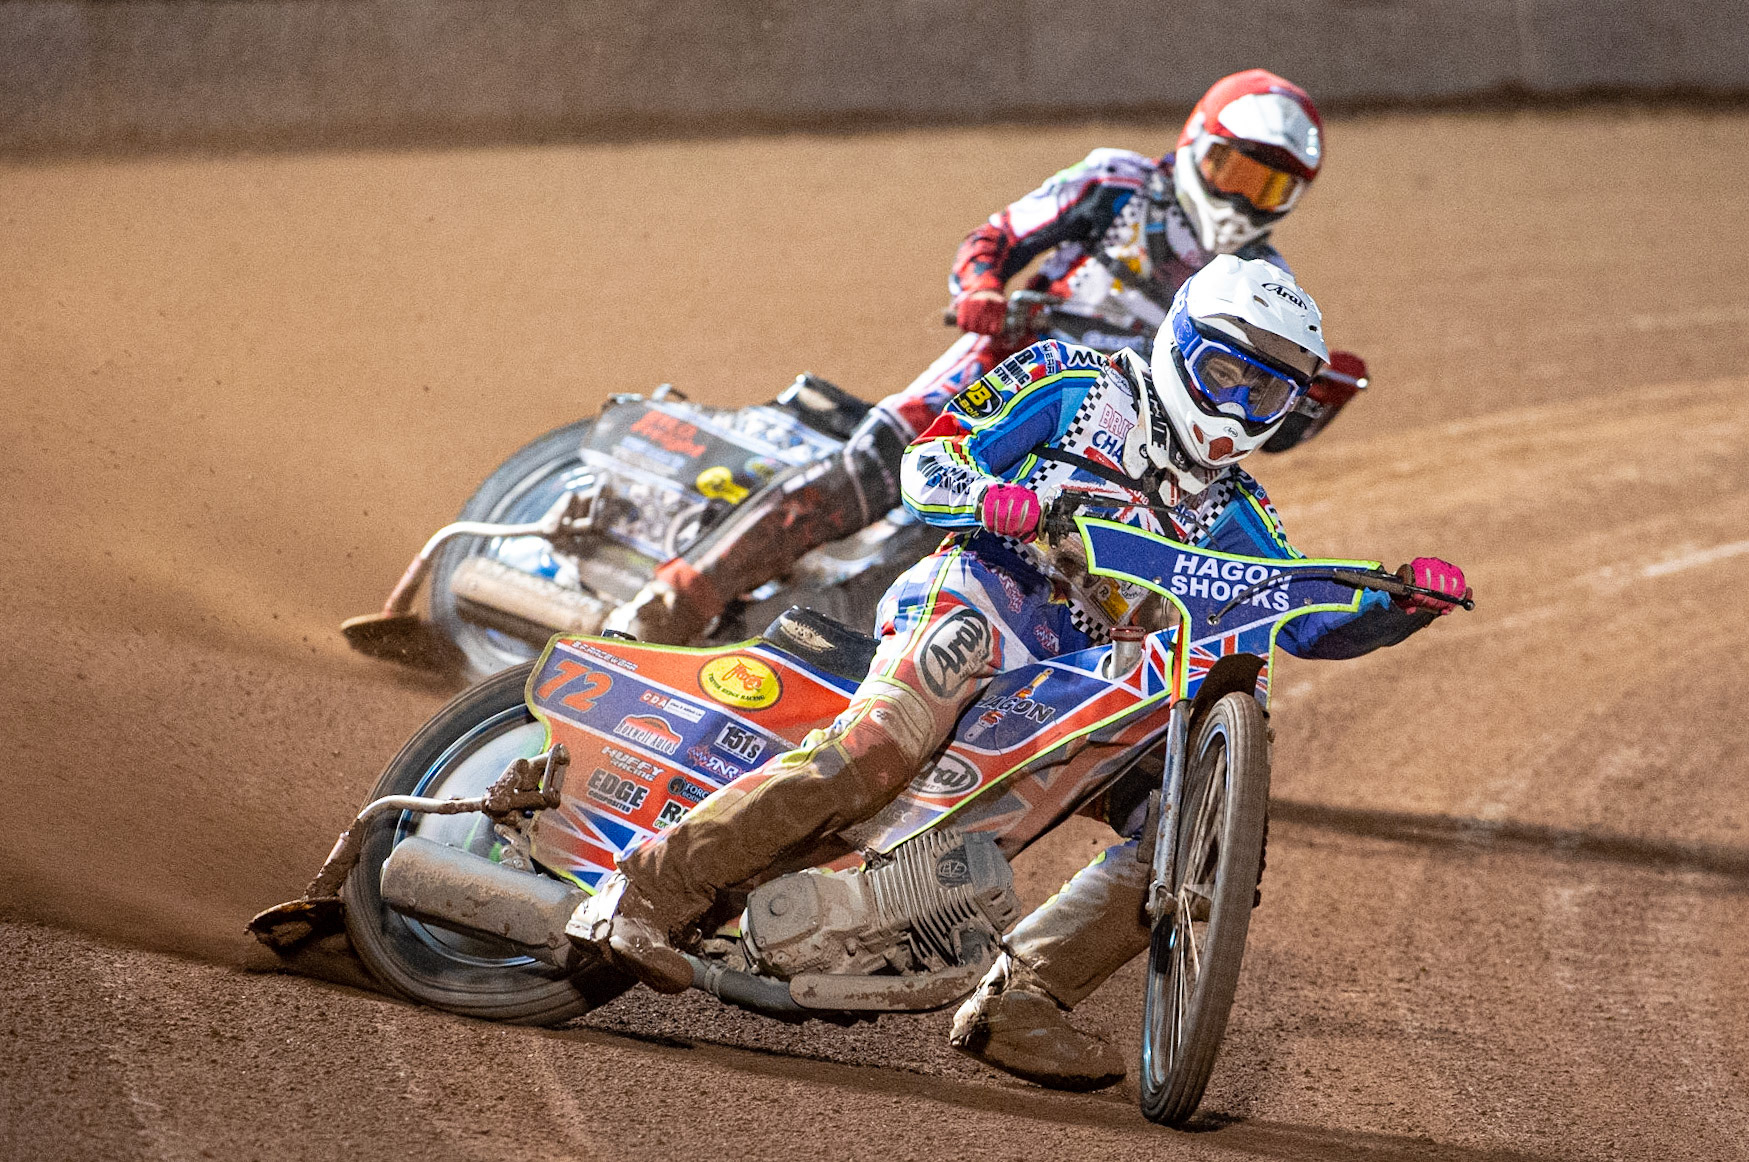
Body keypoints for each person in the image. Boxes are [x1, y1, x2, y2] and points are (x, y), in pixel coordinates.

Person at [581, 256, 1470, 1090]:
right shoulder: (1074, 381)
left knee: (1188, 838)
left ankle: (1017, 1001)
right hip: (979, 602)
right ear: (1178, 342)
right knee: (879, 748)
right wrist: (987, 494)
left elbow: (1302, 620)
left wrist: (1394, 607)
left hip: (1086, 678)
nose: (1236, 401)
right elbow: (928, 459)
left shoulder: (1238, 507)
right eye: (1224, 371)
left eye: (1265, 388)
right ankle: (644, 891)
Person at [606, 68, 1367, 647]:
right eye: (1235, 171)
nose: (1244, 199)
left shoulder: (1263, 289)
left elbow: (1250, 418)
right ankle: (654, 614)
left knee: (955, 569)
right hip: (1001, 372)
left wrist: (1319, 405)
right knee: (851, 484)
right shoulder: (1118, 183)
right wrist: (981, 290)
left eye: (1270, 185)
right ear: (1196, 143)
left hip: (1100, 435)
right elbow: (997, 239)